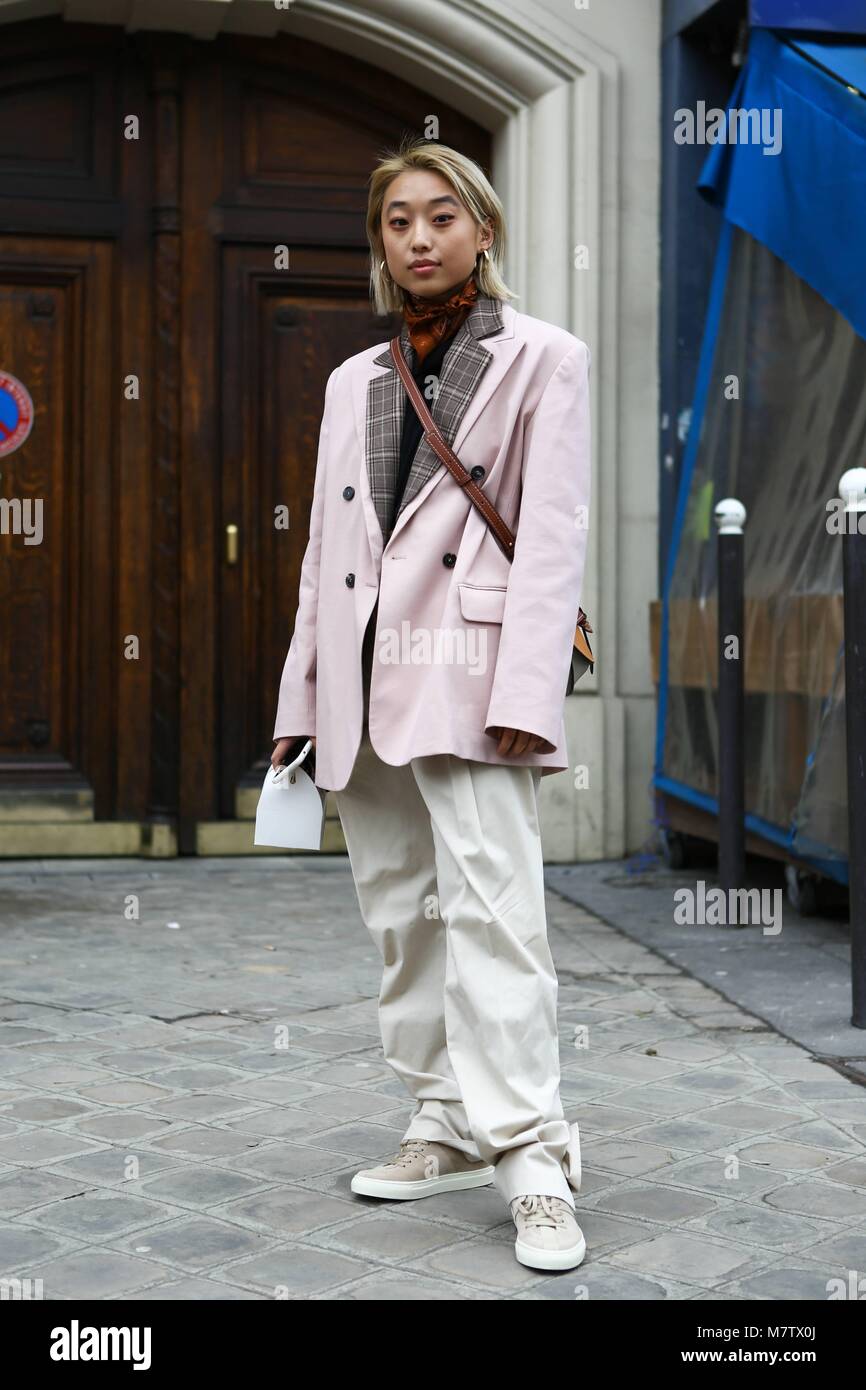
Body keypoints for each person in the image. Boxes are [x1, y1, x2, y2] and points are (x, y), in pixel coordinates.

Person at [272, 137, 591, 1272]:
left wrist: (528, 695)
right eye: (397, 220)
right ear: (379, 242)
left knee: (493, 916)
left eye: (440, 216)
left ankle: (533, 1158)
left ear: (483, 228)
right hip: (366, 682)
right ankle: (443, 1120)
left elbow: (551, 542)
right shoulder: (348, 381)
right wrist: (301, 696)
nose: (418, 237)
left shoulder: (544, 358)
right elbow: (327, 551)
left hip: (473, 674)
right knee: (401, 917)